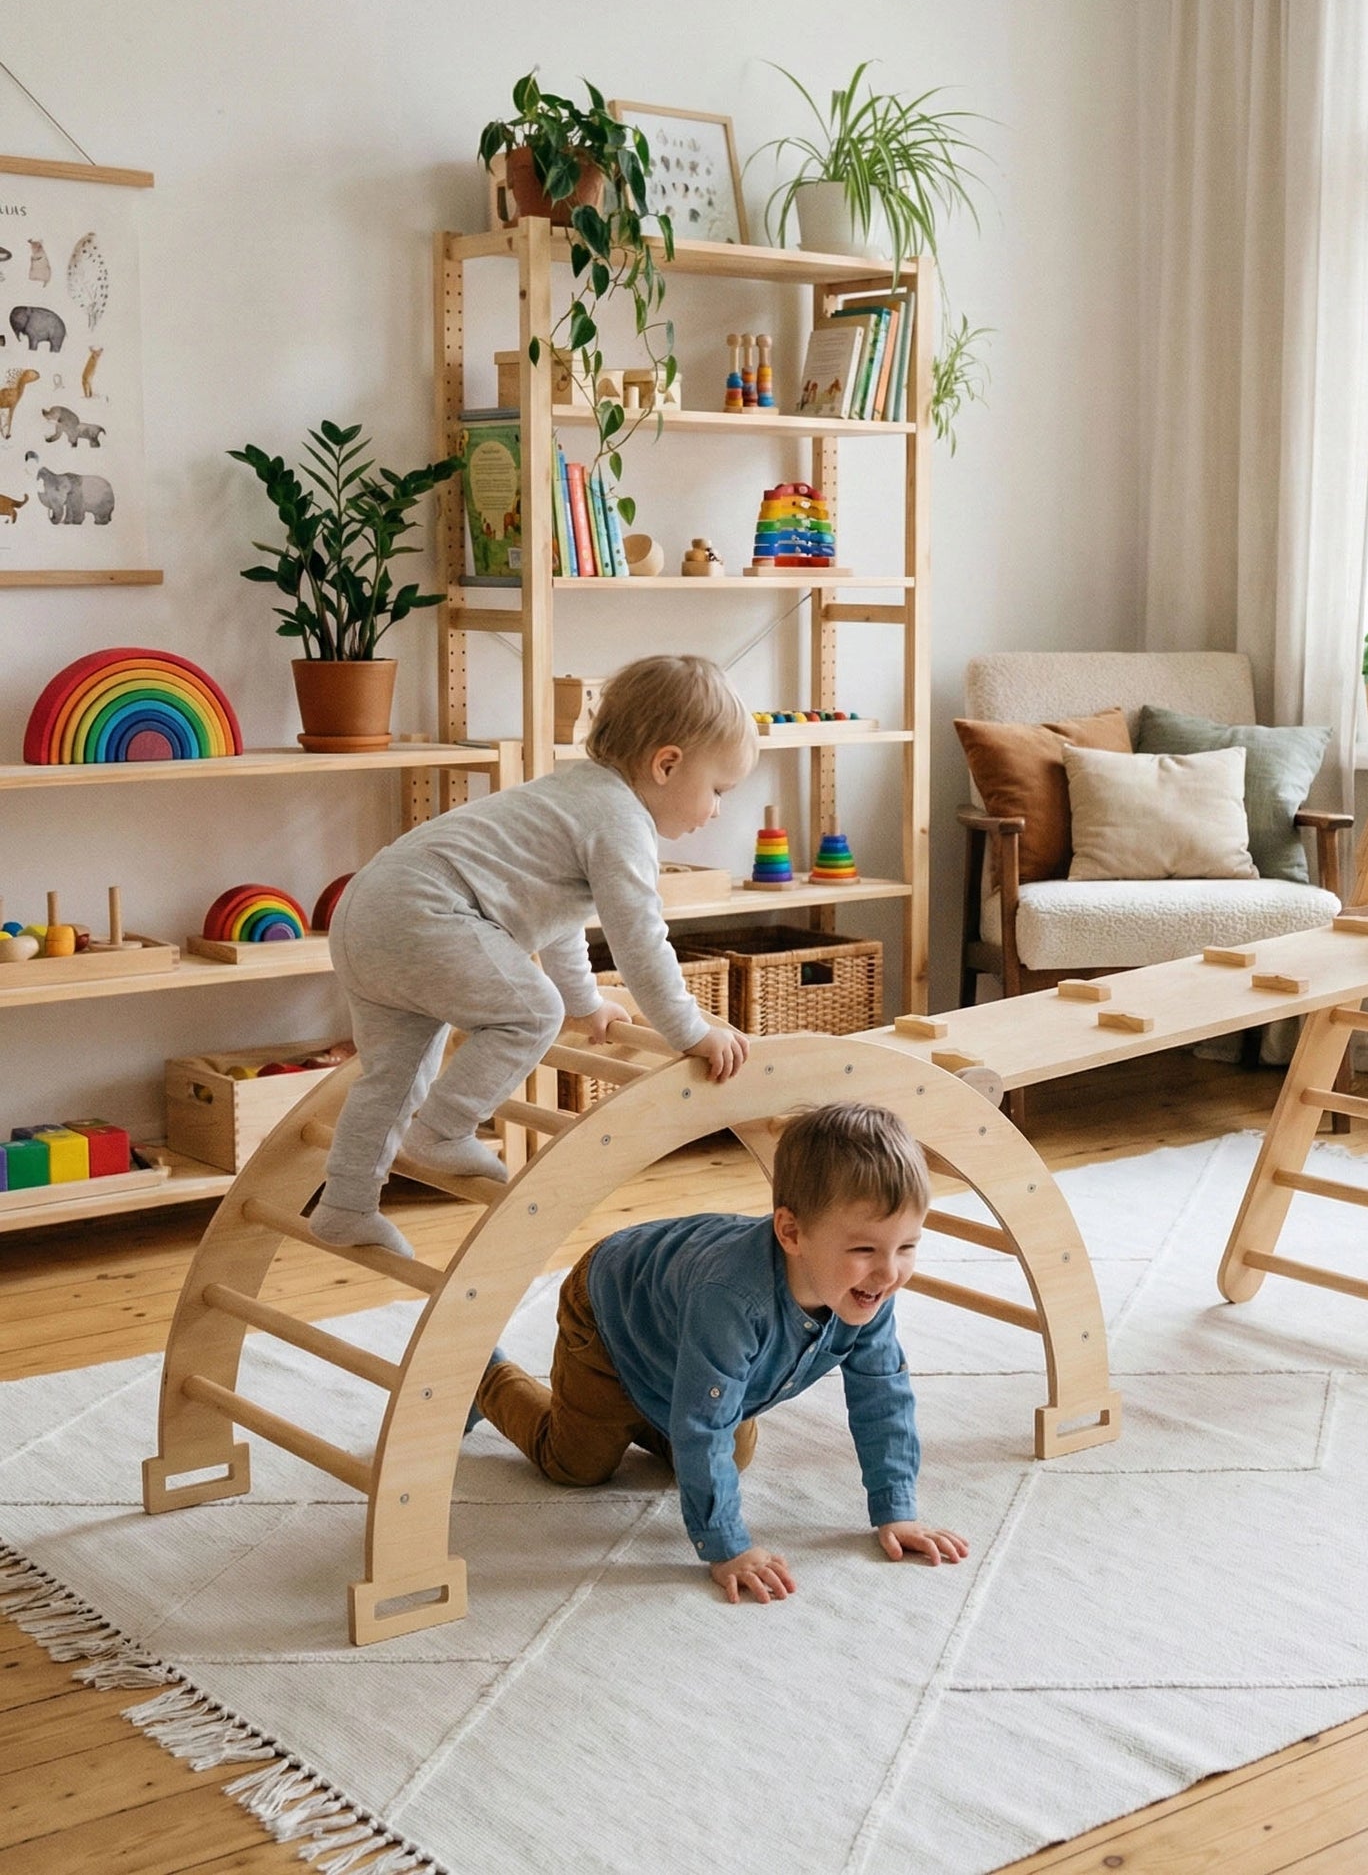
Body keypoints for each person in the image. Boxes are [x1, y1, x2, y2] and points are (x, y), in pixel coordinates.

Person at [311, 654, 756, 1258]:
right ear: (667, 764)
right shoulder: (621, 819)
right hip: (423, 910)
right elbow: (640, 940)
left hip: (367, 911)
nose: (717, 809)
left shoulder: (576, 794)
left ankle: (344, 1206)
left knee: (392, 1076)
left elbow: (558, 919)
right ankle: (443, 1130)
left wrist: (586, 1001)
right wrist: (690, 1031)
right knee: (530, 1012)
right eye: (718, 790)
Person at [471, 1101, 968, 1604]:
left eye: (906, 1247)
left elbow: (883, 1394)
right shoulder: (731, 1299)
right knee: (576, 1465)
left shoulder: (867, 1292)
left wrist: (896, 1509)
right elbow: (704, 1426)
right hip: (612, 1320)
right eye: (865, 1250)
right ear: (791, 1233)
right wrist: (726, 1547)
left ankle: (647, 1413)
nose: (889, 1273)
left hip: (679, 1341)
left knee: (735, 1452)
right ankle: (483, 1377)